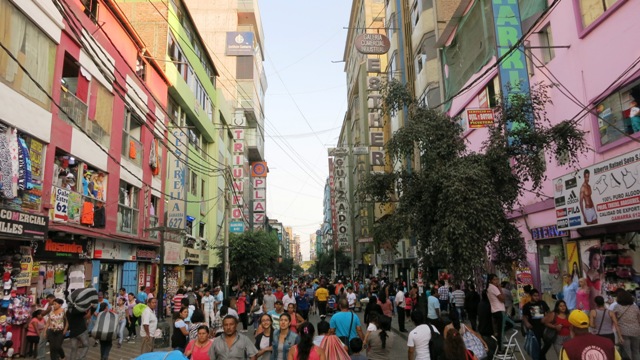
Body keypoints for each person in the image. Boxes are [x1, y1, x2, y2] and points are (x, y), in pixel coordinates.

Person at [612, 290, 640, 360]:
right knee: (636, 351)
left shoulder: (617, 307)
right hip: (636, 331)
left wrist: (619, 335)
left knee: (627, 352)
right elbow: (639, 320)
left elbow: (615, 322)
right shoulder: (635, 307)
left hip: (623, 332)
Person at [522, 288, 550, 359]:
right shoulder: (526, 306)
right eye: (535, 296)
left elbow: (549, 312)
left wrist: (545, 317)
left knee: (548, 342)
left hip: (544, 327)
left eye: (538, 295)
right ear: (531, 296)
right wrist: (527, 323)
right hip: (534, 328)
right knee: (537, 345)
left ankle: (541, 354)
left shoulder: (542, 303)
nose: (537, 297)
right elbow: (524, 316)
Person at [486, 274, 505, 350]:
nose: (497, 281)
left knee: (500, 329)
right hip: (499, 310)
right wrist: (500, 288)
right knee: (503, 328)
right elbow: (502, 299)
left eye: (497, 279)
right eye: (495, 279)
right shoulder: (494, 288)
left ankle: (497, 339)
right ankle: (500, 347)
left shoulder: (489, 288)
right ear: (490, 281)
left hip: (495, 310)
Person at [37, 294, 56, 360]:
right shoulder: (47, 305)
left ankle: (56, 357)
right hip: (46, 326)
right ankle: (41, 357)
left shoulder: (56, 305)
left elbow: (43, 313)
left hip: (54, 327)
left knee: (55, 344)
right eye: (48, 300)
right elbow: (43, 313)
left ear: (53, 298)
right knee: (42, 342)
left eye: (49, 300)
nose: (49, 302)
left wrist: (48, 309)